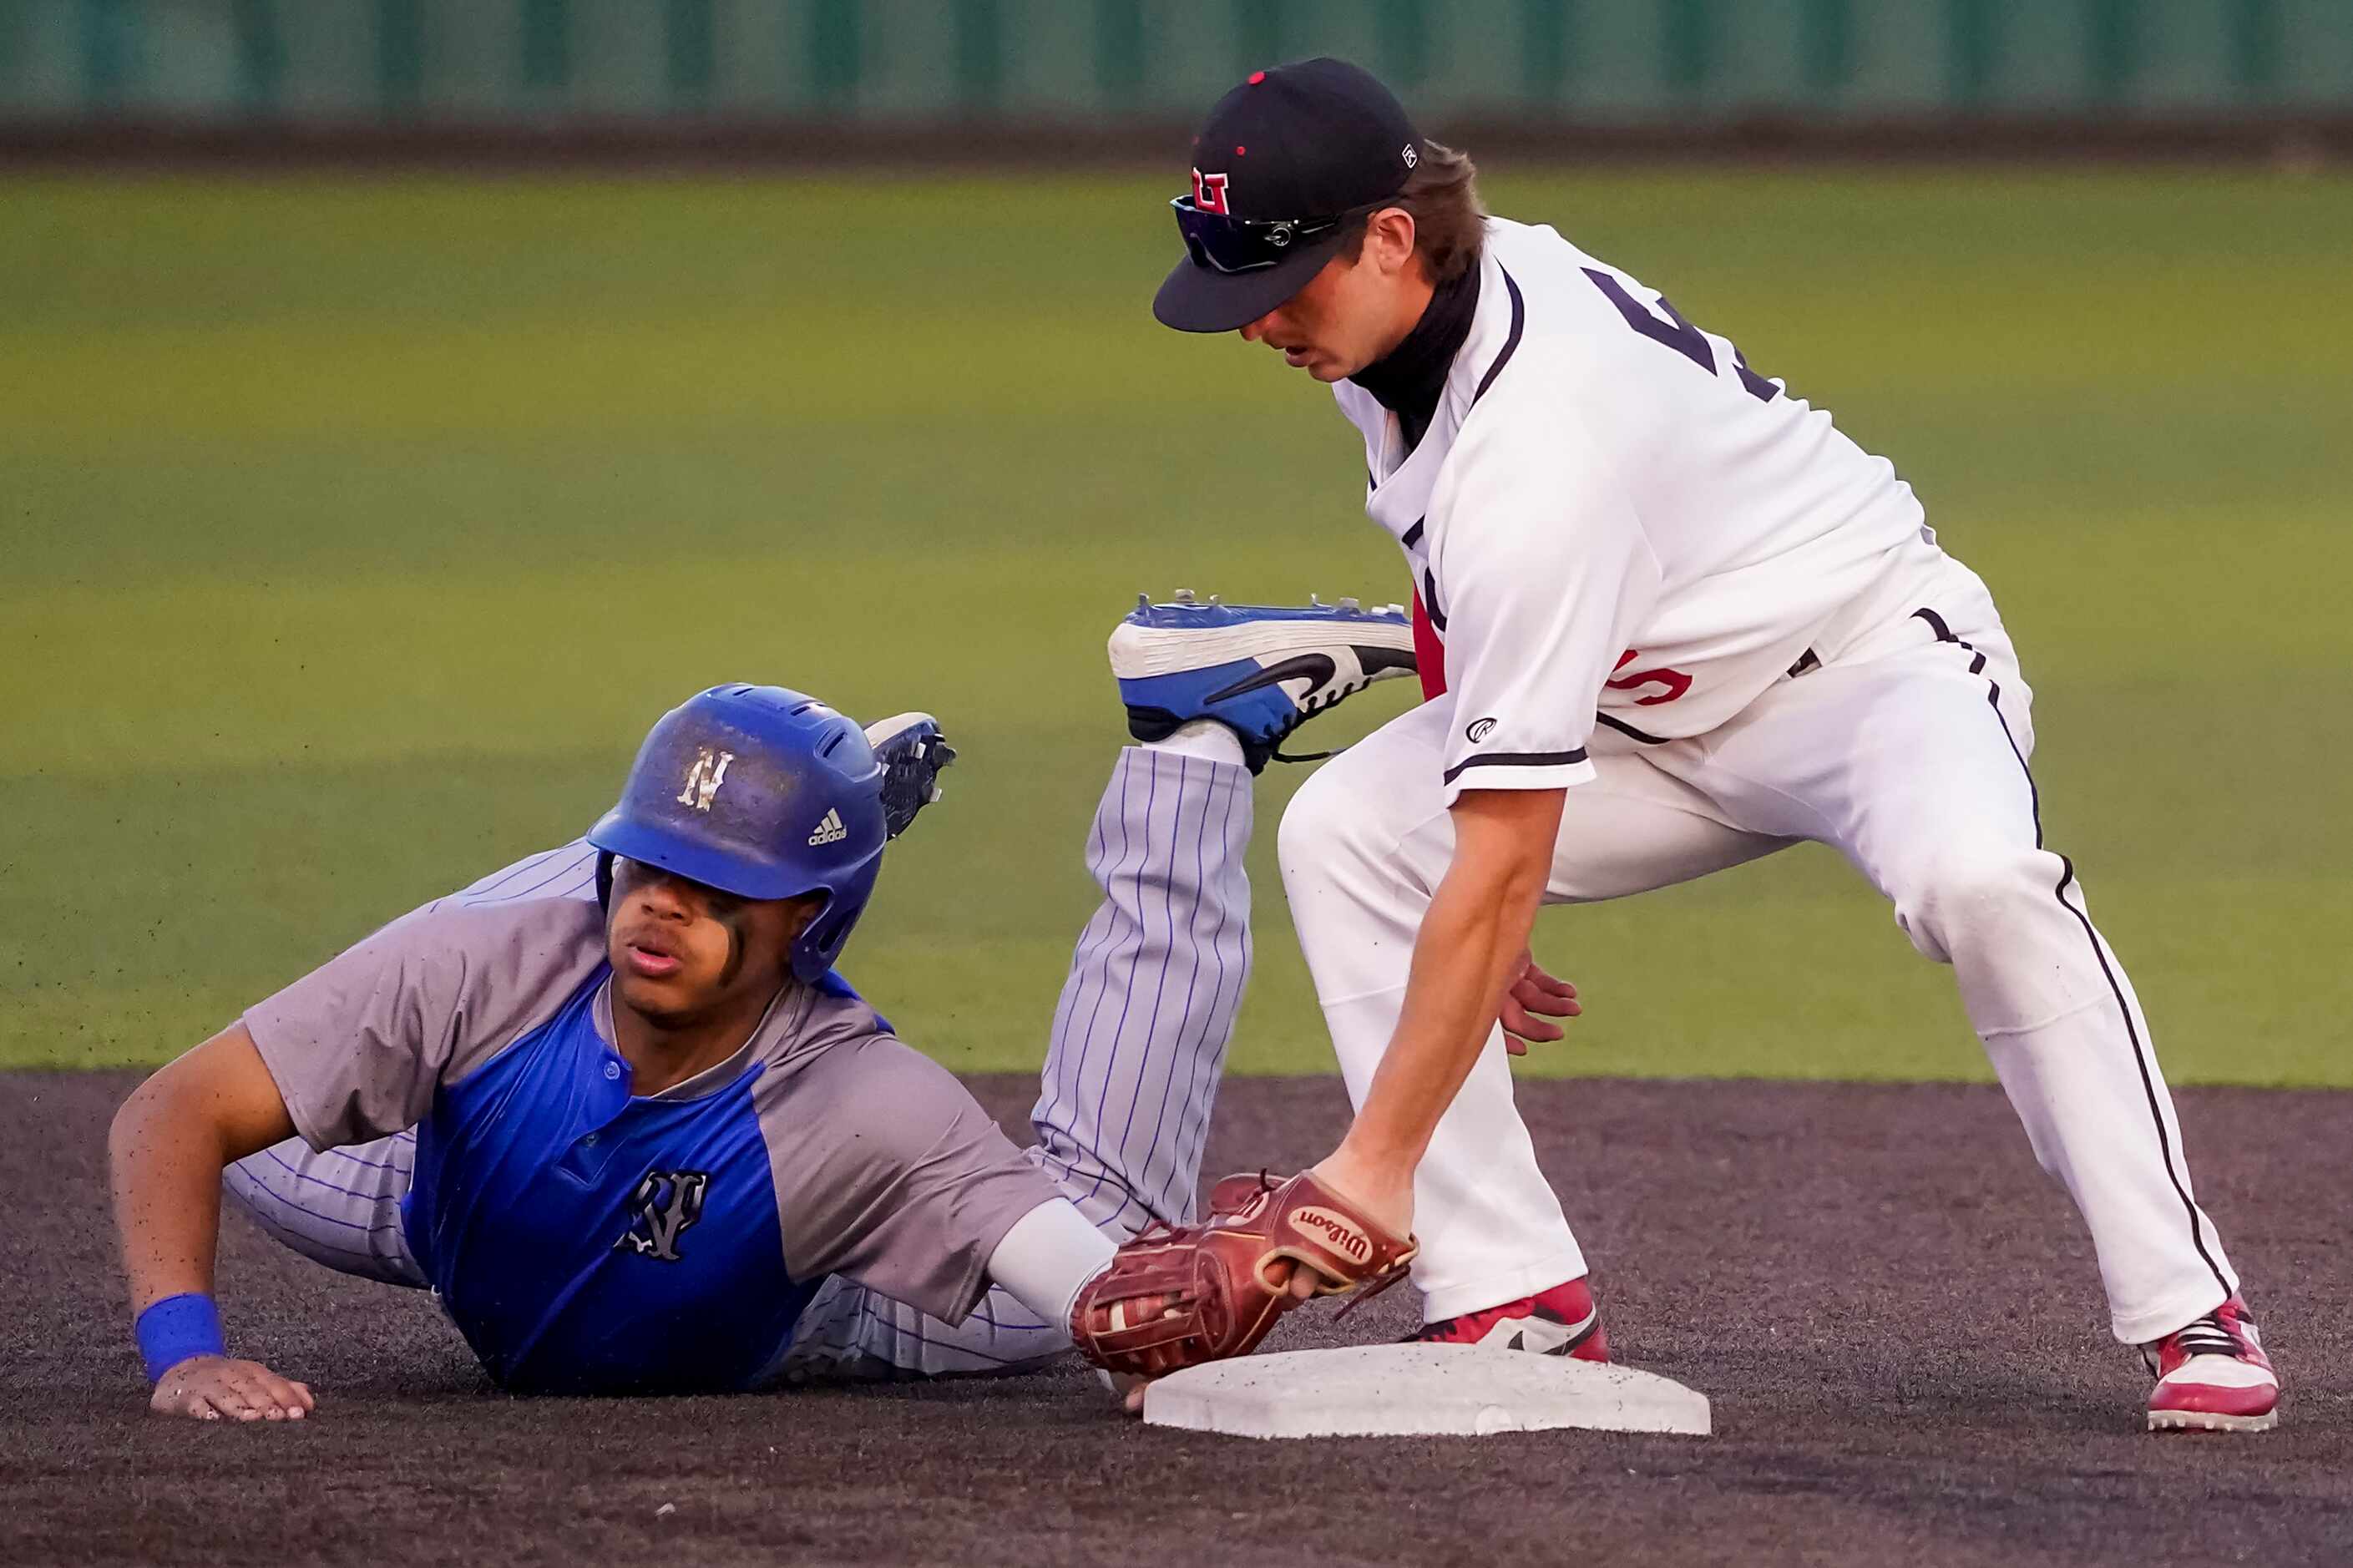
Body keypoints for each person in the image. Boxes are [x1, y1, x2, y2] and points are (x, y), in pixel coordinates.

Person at [1140, 56, 2278, 1433]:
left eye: (1281, 285)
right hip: (1644, 714)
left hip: (1865, 671)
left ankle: (2187, 1307)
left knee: (1980, 883)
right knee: (1351, 834)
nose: (1261, 324)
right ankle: (1514, 1294)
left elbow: (1503, 746)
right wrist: (1469, 911)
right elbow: (1456, 592)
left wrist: (1370, 1155)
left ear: (1387, 236)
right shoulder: (1398, 324)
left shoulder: (1543, 438)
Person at [113, 616, 1429, 1417]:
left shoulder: (861, 1113)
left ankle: (1191, 742)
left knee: (1111, 1217)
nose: (656, 908)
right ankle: (783, 789)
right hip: (444, 1195)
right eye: (647, 865)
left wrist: (1159, 1326)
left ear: (804, 917)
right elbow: (169, 1108)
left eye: (716, 881)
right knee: (261, 1128)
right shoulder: (494, 959)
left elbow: (1102, 1301)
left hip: (813, 1288)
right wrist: (183, 1353)